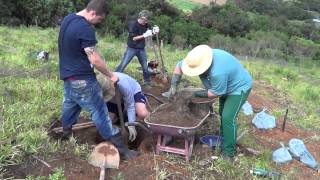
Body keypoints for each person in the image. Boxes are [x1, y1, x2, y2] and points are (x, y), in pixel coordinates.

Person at [58, 0, 139, 160]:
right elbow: (94, 59)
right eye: (100, 19)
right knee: (100, 113)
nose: (98, 22)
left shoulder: (68, 19)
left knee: (70, 104)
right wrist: (111, 75)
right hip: (83, 79)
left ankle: (66, 133)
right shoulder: (85, 29)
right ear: (93, 13)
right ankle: (124, 150)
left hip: (68, 77)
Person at [164, 45, 253, 160]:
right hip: (225, 84)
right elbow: (179, 66)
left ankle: (229, 152)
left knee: (228, 117)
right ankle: (224, 138)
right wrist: (173, 86)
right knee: (222, 112)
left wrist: (193, 93)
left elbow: (216, 93)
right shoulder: (196, 59)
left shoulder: (218, 72)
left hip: (239, 87)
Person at [97, 72, 149, 142]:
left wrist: (131, 125)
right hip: (114, 99)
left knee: (142, 113)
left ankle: (151, 122)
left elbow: (130, 106)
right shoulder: (99, 84)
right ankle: (121, 114)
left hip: (133, 93)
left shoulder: (124, 85)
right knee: (108, 122)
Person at [115, 10, 160, 87]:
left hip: (141, 49)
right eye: (143, 20)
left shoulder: (146, 24)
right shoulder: (133, 25)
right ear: (140, 17)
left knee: (145, 67)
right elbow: (134, 38)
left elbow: (151, 30)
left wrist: (155, 30)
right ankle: (114, 78)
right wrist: (144, 35)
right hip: (131, 48)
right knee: (123, 64)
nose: (145, 22)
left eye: (146, 20)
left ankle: (147, 82)